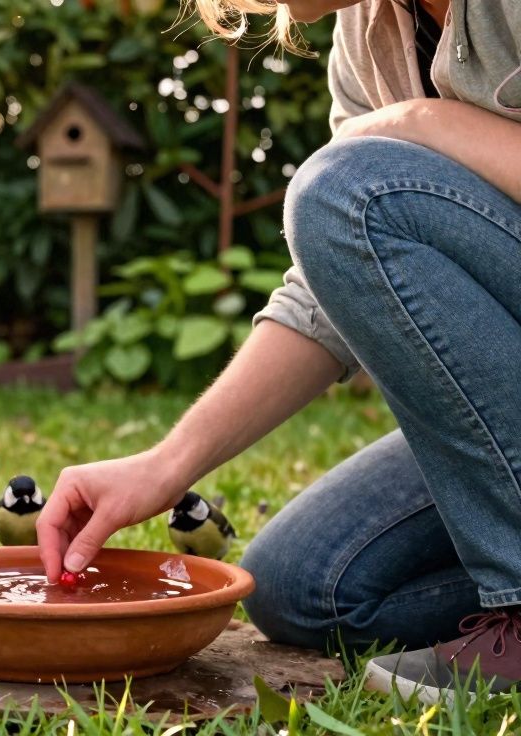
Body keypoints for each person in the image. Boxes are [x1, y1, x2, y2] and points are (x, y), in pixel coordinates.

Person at [37, 0, 521, 703]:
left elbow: (356, 201)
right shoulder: (370, 34)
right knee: (310, 584)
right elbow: (346, 271)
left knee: (348, 189)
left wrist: (426, 123)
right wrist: (164, 466)